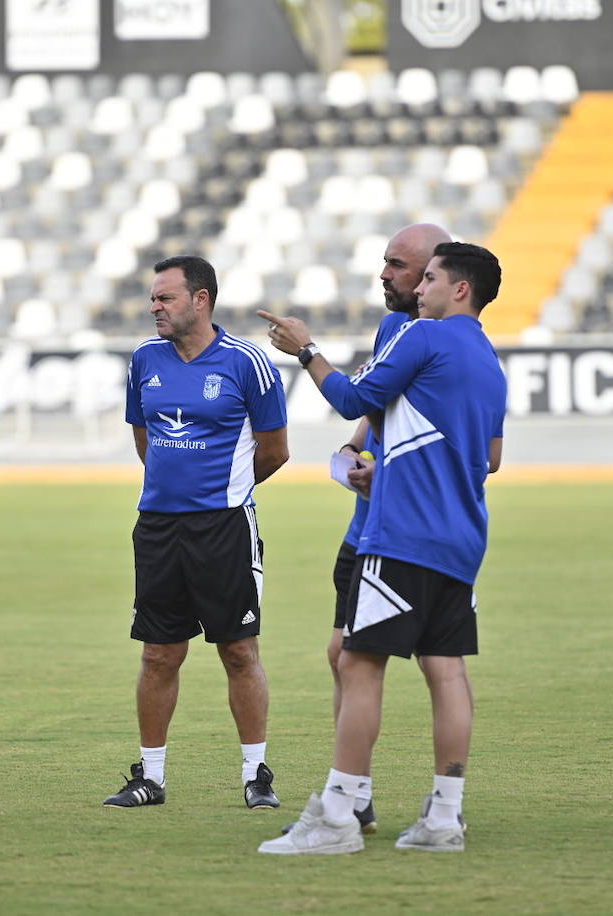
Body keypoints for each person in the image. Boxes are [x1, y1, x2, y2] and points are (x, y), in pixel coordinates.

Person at [256, 242, 507, 855]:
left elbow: (351, 400)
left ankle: (338, 816)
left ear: (460, 290)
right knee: (446, 671)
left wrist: (306, 351)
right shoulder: (491, 364)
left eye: (431, 280)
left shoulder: (424, 337)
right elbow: (488, 458)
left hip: (401, 536)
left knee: (359, 664)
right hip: (462, 539)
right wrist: (393, 464)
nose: (418, 290)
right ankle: (444, 819)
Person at [280, 223, 451, 838]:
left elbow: (473, 449)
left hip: (408, 529)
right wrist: (355, 452)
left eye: (402, 266)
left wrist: (307, 352)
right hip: (366, 526)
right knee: (344, 654)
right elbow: (374, 409)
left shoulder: (442, 342)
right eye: (387, 262)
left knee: (426, 663)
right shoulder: (391, 328)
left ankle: (380, 801)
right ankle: (359, 794)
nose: (387, 274)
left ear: (438, 275)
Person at [103, 255, 290, 811]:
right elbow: (145, 438)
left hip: (225, 528)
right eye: (153, 298)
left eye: (165, 298)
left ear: (201, 300)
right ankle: (151, 777)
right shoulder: (144, 360)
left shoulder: (248, 364)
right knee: (159, 655)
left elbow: (276, 450)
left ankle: (257, 774)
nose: (154, 307)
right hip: (158, 526)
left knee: (238, 651)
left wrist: (222, 490)